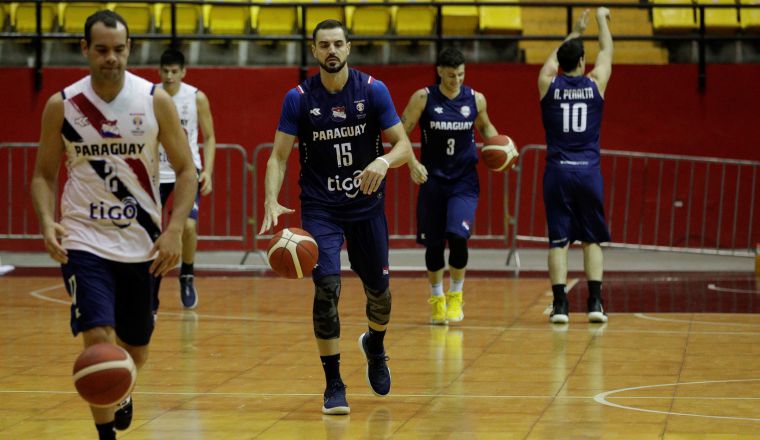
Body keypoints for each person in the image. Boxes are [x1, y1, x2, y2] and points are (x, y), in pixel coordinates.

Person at [30, 11, 197, 440]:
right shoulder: (63, 105)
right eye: (101, 50)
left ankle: (121, 389)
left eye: (119, 49)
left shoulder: (153, 99)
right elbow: (44, 175)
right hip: (84, 239)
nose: (111, 58)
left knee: (135, 348)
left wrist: (175, 229)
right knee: (98, 341)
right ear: (85, 49)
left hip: (141, 243)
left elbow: (185, 170)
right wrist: (48, 221)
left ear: (130, 49)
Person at [259, 19, 411, 415]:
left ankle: (375, 347)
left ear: (348, 48)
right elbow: (278, 156)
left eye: (338, 44)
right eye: (323, 44)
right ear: (313, 51)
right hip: (321, 207)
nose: (331, 50)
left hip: (366, 206)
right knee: (327, 290)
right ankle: (333, 383)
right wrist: (270, 200)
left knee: (380, 295)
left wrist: (383, 159)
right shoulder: (298, 98)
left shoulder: (373, 90)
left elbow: (404, 146)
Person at [400, 47, 500, 325]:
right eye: (452, 75)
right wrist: (412, 163)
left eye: (461, 74)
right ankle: (437, 298)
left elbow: (486, 128)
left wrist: (504, 145)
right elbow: (400, 133)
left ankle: (456, 295)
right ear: (440, 72)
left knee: (458, 237)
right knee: (433, 245)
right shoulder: (423, 98)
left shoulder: (475, 99)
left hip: (463, 182)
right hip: (432, 181)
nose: (457, 80)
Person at [537, 7, 613, 324]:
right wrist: (600, 20)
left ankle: (561, 306)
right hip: (588, 170)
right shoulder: (595, 83)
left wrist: (575, 33)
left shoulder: (546, 84)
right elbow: (608, 51)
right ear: (582, 62)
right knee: (591, 238)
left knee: (558, 240)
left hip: (558, 170)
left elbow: (551, 62)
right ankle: (595, 303)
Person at [155, 48, 217, 310]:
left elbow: (209, 136)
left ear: (183, 72)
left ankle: (187, 275)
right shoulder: (151, 95)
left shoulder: (195, 97)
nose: (169, 76)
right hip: (155, 172)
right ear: (160, 72)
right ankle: (151, 284)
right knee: (152, 232)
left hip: (186, 172)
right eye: (165, 71)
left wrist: (208, 171)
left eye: (174, 72)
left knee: (188, 228)